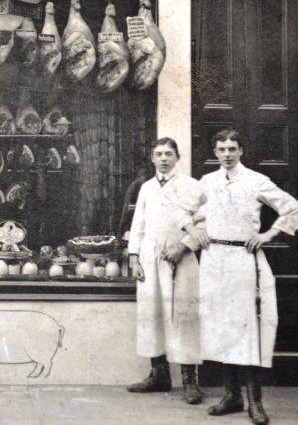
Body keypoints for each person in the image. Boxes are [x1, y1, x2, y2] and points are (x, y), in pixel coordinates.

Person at [195, 129, 298, 425]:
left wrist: (268, 234)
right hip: (214, 260)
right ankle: (231, 396)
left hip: (243, 260)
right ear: (215, 152)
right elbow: (187, 212)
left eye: (232, 149)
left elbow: (291, 206)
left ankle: (255, 401)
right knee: (221, 327)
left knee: (247, 328)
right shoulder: (207, 182)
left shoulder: (255, 181)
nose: (227, 154)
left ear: (241, 151)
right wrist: (195, 229)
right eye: (221, 149)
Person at [126, 137, 208, 405]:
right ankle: (159, 375)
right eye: (159, 154)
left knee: (183, 315)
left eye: (169, 154)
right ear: (152, 158)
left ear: (178, 156)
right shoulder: (147, 188)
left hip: (181, 260)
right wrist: (135, 257)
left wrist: (184, 246)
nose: (163, 158)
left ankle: (190, 380)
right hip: (151, 259)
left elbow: (206, 222)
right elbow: (138, 224)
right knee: (152, 314)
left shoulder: (192, 186)